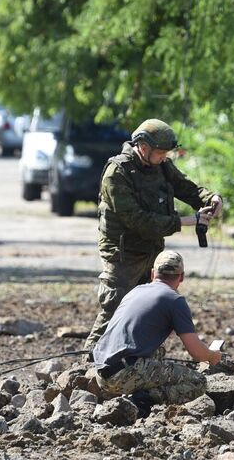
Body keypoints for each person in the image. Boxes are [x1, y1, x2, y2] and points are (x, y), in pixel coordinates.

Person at [85, 118, 223, 350]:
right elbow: (138, 220)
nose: (164, 158)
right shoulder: (116, 173)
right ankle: (87, 364)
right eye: (160, 153)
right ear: (143, 147)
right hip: (123, 254)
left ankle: (137, 360)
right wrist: (187, 221)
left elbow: (185, 187)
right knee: (115, 310)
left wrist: (210, 198)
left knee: (147, 310)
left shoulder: (161, 165)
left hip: (151, 250)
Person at [92, 249, 222, 406]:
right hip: (123, 374)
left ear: (153, 273)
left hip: (101, 372)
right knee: (198, 382)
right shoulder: (175, 300)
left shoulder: (136, 291)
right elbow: (196, 353)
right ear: (181, 277)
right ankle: (142, 401)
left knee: (159, 351)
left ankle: (131, 390)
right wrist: (212, 356)